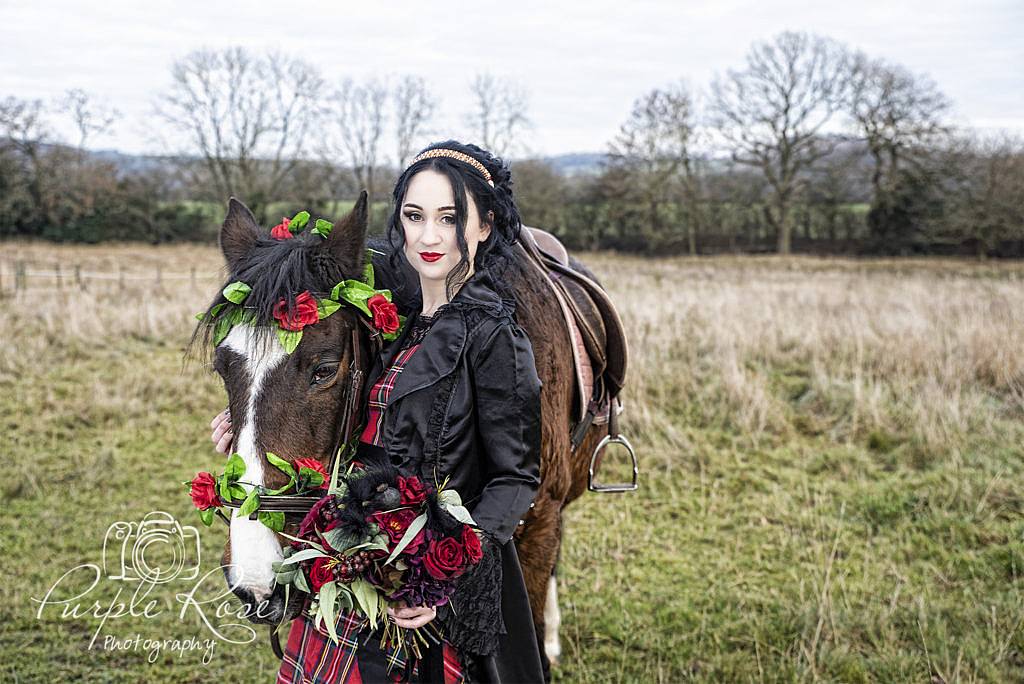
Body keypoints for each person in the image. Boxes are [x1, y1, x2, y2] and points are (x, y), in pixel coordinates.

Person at [210, 140, 546, 683]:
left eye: (450, 218)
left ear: (484, 226)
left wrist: (444, 577)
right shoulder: (394, 324)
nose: (429, 236)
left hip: (425, 589)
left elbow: (515, 478)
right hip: (353, 561)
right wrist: (250, 427)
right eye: (415, 216)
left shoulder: (494, 336)